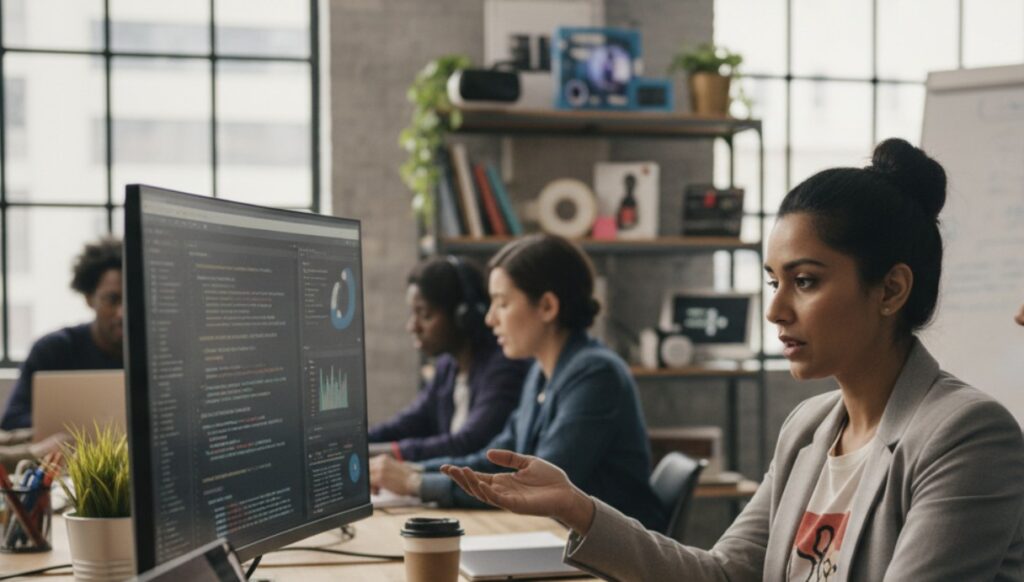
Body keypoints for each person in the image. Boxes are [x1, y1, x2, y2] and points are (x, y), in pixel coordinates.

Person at [442, 139, 1024, 580]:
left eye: (805, 281)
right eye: (773, 280)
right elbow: (722, 574)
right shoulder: (808, 428)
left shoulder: (966, 435)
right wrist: (577, 508)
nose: (775, 310)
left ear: (891, 290)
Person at [371, 234, 667, 531]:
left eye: (502, 304)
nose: (489, 319)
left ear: (548, 307)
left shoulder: (596, 375)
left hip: (614, 562)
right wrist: (413, 469)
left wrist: (414, 482)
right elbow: (493, 460)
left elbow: (535, 489)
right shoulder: (540, 374)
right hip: (564, 542)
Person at [367, 256, 529, 461]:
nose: (412, 326)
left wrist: (384, 454)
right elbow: (411, 421)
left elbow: (468, 443)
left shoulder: (504, 367)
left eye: (425, 314)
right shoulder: (448, 366)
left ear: (463, 315)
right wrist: (354, 443)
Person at [1, 237, 124, 430]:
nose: (122, 312)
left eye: (131, 299)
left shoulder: (158, 355)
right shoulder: (53, 350)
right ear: (89, 298)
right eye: (112, 299)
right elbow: (12, 422)